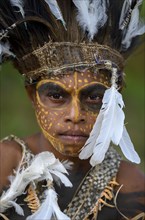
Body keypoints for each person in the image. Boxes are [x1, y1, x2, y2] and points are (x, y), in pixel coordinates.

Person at [0, 0, 145, 219]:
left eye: (94, 97)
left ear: (113, 100)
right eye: (56, 96)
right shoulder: (5, 165)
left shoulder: (132, 188)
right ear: (32, 95)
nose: (75, 115)